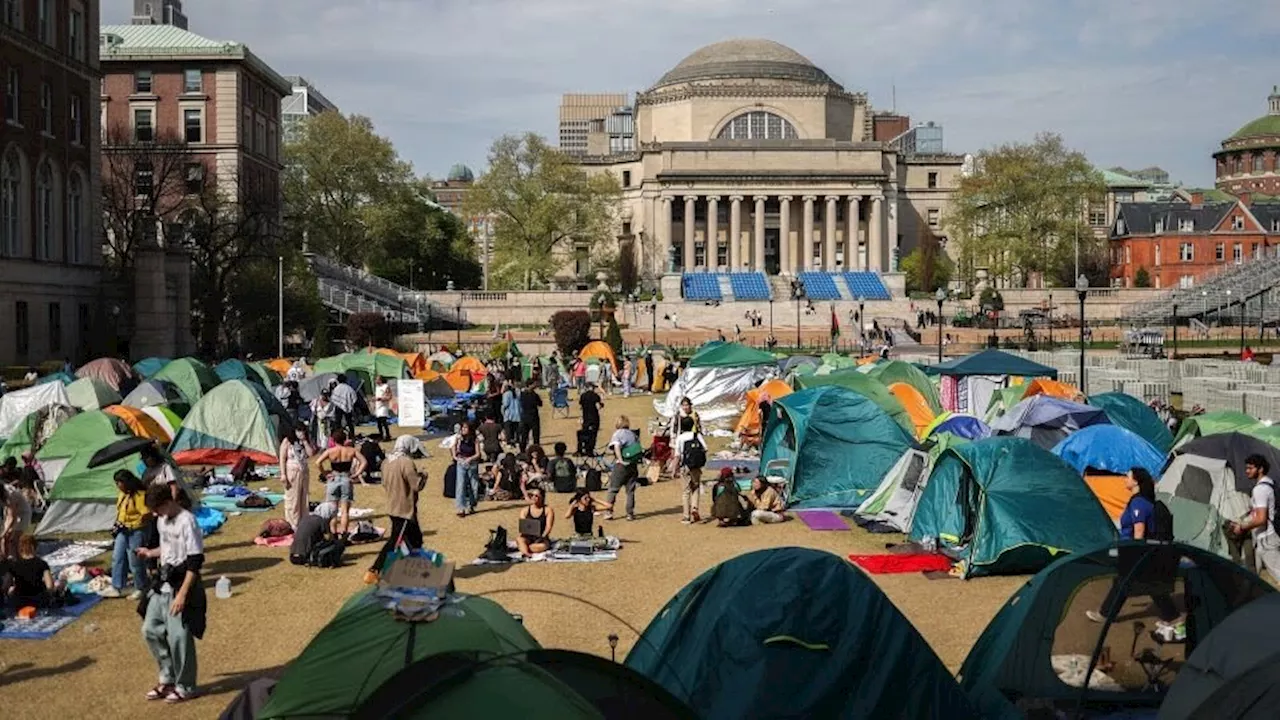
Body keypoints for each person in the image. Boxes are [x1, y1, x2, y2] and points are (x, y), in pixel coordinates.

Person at [136, 483, 205, 704]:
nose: (156, 514)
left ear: (168, 502)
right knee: (150, 629)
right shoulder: (161, 520)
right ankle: (168, 678)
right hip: (162, 584)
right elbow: (166, 549)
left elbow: (195, 562)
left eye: (157, 509)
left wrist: (183, 595)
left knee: (179, 637)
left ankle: (186, 686)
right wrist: (150, 552)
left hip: (181, 584)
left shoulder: (188, 521)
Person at [1086, 468, 1179, 625]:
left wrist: (1135, 552)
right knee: (1141, 584)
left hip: (1135, 550)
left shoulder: (1138, 503)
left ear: (1136, 481)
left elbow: (1139, 530)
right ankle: (1173, 617)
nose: (1125, 479)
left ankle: (1106, 614)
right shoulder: (1143, 500)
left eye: (1128, 476)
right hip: (1140, 550)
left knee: (1126, 582)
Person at [366, 436, 427, 583]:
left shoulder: (386, 462)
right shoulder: (406, 462)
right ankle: (374, 569)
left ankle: (411, 568)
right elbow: (416, 485)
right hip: (405, 509)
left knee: (415, 540)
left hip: (393, 505)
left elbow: (385, 483)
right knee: (395, 541)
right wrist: (424, 476)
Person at [1230, 454, 1280, 583]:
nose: (1247, 471)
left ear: (1260, 469)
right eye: (1246, 468)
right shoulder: (1270, 484)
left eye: (1250, 468)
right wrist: (1244, 521)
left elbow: (1261, 519)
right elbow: (1258, 514)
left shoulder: (1260, 489)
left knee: (1277, 572)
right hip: (1262, 539)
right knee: (1251, 577)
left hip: (1266, 539)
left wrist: (1241, 527)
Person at [107, 470, 151, 599]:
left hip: (137, 531)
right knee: (117, 557)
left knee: (135, 561)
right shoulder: (122, 494)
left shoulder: (140, 495)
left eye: (119, 482)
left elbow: (146, 515)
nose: (117, 485)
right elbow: (120, 510)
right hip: (123, 530)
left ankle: (141, 587)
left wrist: (135, 523)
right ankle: (117, 587)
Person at [315, 429, 366, 538]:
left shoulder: (330, 451)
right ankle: (344, 534)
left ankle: (333, 534)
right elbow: (364, 462)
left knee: (332, 510)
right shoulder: (351, 450)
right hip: (346, 478)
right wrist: (357, 473)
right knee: (345, 511)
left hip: (333, 479)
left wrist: (325, 473)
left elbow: (318, 462)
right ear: (345, 439)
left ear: (333, 440)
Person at [670, 397, 704, 524]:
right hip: (696, 466)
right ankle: (695, 508)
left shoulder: (680, 438)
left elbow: (677, 455)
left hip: (685, 466)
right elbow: (704, 449)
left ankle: (686, 516)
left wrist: (674, 469)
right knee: (695, 487)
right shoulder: (697, 435)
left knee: (685, 491)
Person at [278, 425, 315, 530]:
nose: (301, 433)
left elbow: (311, 453)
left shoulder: (304, 442)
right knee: (293, 499)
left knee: (303, 498)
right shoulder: (287, 442)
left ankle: (303, 521)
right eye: (299, 431)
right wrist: (283, 474)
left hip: (303, 472)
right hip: (292, 472)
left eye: (303, 431)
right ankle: (292, 523)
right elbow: (282, 458)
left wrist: (305, 441)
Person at [605, 416, 641, 521]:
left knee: (613, 489)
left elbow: (616, 446)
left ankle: (608, 511)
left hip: (621, 465)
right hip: (633, 465)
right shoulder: (632, 434)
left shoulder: (618, 434)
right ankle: (630, 513)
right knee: (630, 491)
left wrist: (620, 460)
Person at [5, 534, 56, 607]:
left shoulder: (14, 565)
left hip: (20, 600)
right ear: (35, 547)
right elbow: (50, 586)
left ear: (20, 548)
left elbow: (5, 585)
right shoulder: (42, 563)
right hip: (38, 600)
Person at [452, 420, 481, 517]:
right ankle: (461, 508)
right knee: (461, 485)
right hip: (461, 462)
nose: (463, 429)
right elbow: (453, 446)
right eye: (462, 428)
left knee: (473, 486)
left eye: (465, 428)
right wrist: (455, 457)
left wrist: (470, 459)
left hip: (472, 464)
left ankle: (472, 505)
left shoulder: (475, 439)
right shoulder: (459, 438)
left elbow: (478, 454)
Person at [516, 487, 554, 557]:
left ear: (542, 497)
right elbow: (523, 526)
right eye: (532, 495)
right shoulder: (525, 510)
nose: (533, 497)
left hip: (541, 538)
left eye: (536, 496)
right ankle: (527, 553)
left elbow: (548, 527)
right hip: (527, 537)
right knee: (519, 540)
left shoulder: (548, 510)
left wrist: (542, 537)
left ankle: (525, 549)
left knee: (541, 546)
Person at [577, 383, 604, 457]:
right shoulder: (595, 396)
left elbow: (581, 407)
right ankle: (590, 450)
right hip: (594, 417)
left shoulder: (583, 396)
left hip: (586, 417)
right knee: (593, 434)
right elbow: (598, 406)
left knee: (585, 433)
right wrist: (602, 404)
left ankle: (585, 448)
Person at [518, 380, 543, 448]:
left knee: (524, 436)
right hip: (533, 417)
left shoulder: (522, 394)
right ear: (529, 385)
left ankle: (522, 450)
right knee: (535, 436)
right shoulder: (534, 395)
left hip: (524, 417)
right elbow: (540, 404)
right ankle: (536, 449)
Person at [501, 381, 522, 447]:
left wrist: (502, 411)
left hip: (509, 415)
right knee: (516, 430)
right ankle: (517, 441)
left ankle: (509, 443)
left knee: (509, 430)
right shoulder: (518, 393)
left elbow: (505, 404)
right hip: (517, 414)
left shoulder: (506, 394)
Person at [373, 376, 393, 441]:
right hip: (378, 406)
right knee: (378, 423)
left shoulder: (386, 387)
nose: (375, 380)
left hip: (383, 406)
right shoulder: (377, 387)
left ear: (381, 380)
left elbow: (389, 397)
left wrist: (381, 398)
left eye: (377, 379)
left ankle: (388, 435)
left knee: (383, 422)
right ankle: (381, 435)